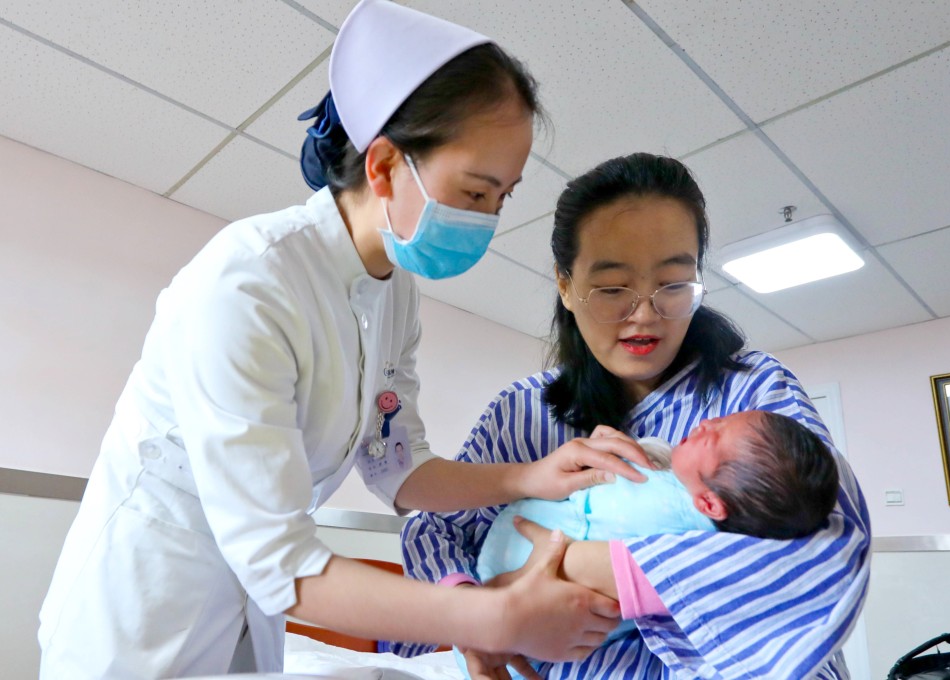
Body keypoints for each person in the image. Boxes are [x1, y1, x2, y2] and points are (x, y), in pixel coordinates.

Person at [36, 2, 652, 678]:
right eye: (476, 193)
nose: (488, 219)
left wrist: (529, 476)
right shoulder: (248, 282)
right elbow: (279, 557)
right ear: (384, 166)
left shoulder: (393, 293)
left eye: (503, 198)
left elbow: (399, 469)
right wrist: (491, 617)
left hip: (250, 611)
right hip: (141, 614)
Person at [397, 152, 871, 679]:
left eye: (674, 284)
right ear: (565, 285)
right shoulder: (521, 412)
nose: (645, 314)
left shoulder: (756, 389)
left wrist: (588, 567)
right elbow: (434, 530)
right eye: (612, 289)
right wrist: (472, 613)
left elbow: (830, 546)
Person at [456, 411, 839, 678]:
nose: (706, 423)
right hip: (504, 630)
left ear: (709, 505)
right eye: (719, 419)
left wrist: (633, 455)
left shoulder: (669, 509)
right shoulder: (705, 528)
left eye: (715, 435)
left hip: (506, 594)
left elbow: (608, 489)